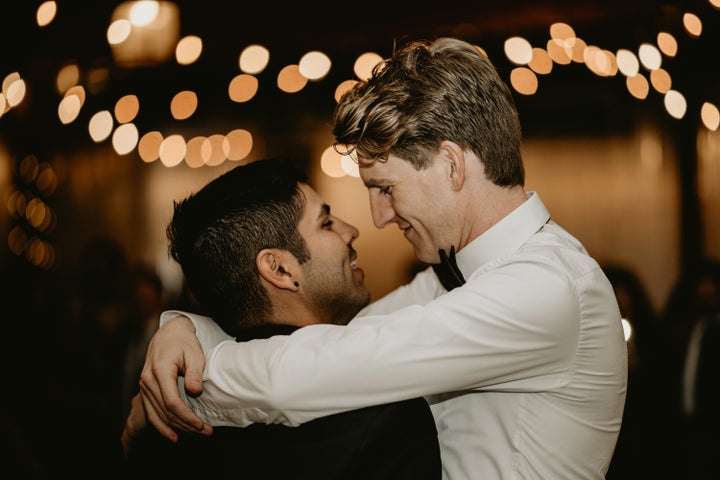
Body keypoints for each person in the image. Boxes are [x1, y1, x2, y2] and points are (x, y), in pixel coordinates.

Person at [130, 37, 627, 479]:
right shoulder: (454, 278)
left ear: (451, 165)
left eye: (385, 188)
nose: (379, 217)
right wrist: (184, 330)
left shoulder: (546, 288)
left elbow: (312, 373)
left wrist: (185, 382)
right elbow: (330, 341)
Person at [121, 158, 442, 479]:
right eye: (326, 222)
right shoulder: (388, 417)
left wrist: (181, 324)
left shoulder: (160, 427)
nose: (351, 230)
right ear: (279, 269)